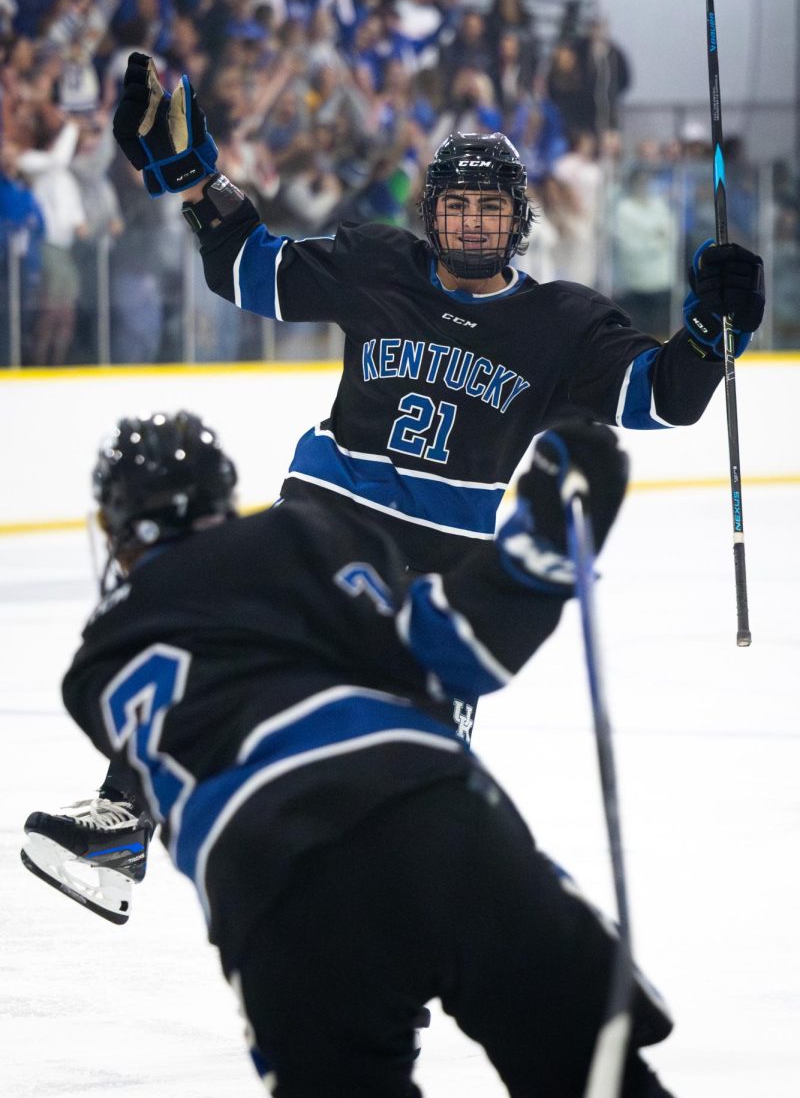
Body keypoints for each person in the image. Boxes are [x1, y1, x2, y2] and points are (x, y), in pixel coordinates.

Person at [21, 51, 765, 912]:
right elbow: (247, 268)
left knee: (406, 783)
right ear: (433, 214)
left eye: (492, 209)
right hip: (321, 522)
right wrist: (195, 182)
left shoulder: (564, 323)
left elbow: (663, 399)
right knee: (207, 629)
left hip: (439, 571)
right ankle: (124, 818)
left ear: (517, 220)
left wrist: (712, 334)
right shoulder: (379, 263)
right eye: (459, 207)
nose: (475, 224)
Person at [23, 410, 676, 1097]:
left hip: (279, 895)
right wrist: (540, 543)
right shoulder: (308, 533)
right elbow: (455, 651)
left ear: (118, 529)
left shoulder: (92, 672)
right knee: (596, 1076)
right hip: (438, 819)